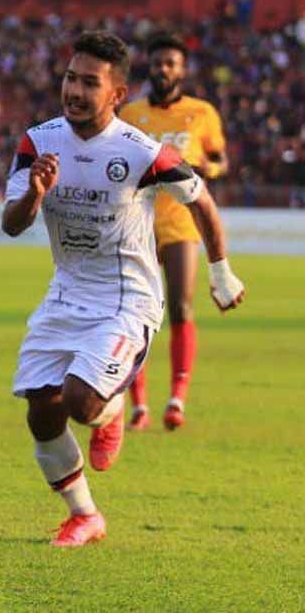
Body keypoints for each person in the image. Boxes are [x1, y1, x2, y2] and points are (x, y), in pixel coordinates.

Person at [1, 32, 245, 547]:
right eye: (71, 78)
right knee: (41, 412)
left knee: (81, 402)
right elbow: (12, 223)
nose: (75, 90)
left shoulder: (141, 152)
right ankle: (85, 515)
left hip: (126, 300)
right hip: (65, 295)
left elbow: (201, 200)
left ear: (116, 95)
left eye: (90, 83)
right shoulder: (38, 142)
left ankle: (111, 411)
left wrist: (222, 272)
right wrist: (36, 195)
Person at [117, 34, 230, 431]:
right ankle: (139, 405)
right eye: (158, 62)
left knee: (181, 307)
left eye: (171, 63)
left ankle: (176, 399)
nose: (164, 68)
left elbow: (219, 160)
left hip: (182, 221)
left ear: (182, 69)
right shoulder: (130, 115)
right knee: (136, 312)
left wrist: (205, 169)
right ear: (149, 66)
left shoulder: (201, 113)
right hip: (138, 225)